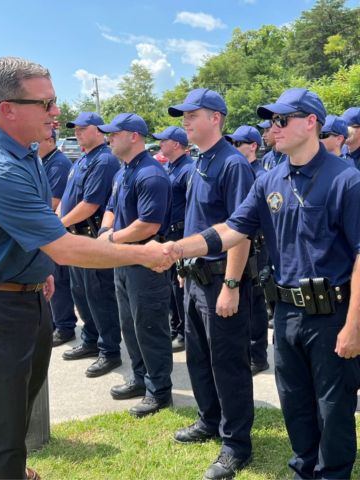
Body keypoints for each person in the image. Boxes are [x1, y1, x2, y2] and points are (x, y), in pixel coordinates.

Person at [0, 57, 176, 480]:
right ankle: (5, 467)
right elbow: (66, 247)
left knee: (16, 406)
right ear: (8, 109)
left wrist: (41, 266)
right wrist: (144, 253)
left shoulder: (25, 151)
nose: (57, 113)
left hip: (25, 293)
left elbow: (42, 224)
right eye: (47, 103)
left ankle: (2, 457)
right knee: (6, 418)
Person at [158, 87, 360, 480]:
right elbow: (232, 229)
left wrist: (354, 325)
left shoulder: (346, 180)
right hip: (285, 311)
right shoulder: (270, 179)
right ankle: (304, 467)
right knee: (295, 401)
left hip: (332, 313)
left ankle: (332, 473)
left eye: (282, 120)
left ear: (311, 123)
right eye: (271, 121)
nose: (273, 128)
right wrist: (176, 249)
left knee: (333, 407)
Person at [167, 89, 255, 480]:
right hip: (197, 278)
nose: (185, 120)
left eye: (192, 114)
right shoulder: (202, 159)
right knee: (199, 357)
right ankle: (209, 420)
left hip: (222, 279)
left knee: (228, 364)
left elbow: (242, 230)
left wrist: (232, 284)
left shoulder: (232, 164)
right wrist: (186, 270)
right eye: (183, 115)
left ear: (216, 118)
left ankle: (236, 444)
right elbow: (197, 222)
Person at [97, 113, 174, 417]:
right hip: (124, 258)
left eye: (115, 134)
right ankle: (140, 378)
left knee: (150, 325)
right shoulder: (123, 172)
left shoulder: (151, 174)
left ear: (134, 137)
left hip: (145, 260)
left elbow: (149, 225)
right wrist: (106, 232)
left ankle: (159, 390)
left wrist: (111, 239)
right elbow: (111, 208)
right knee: (129, 323)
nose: (109, 138)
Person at [58, 112, 122, 378]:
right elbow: (67, 196)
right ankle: (90, 340)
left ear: (100, 131)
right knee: (81, 293)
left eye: (83, 129)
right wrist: (58, 218)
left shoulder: (104, 160)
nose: (77, 133)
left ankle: (109, 351)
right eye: (76, 129)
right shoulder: (83, 158)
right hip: (75, 235)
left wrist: (58, 225)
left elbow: (91, 204)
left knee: (99, 296)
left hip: (91, 237)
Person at [225, 125, 270, 375]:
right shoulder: (236, 170)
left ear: (253, 146)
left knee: (255, 300)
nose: (234, 148)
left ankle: (258, 355)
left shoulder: (260, 175)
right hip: (239, 243)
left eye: (239, 143)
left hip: (256, 245)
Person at [151, 126, 193, 352]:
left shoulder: (188, 169)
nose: (160, 144)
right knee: (171, 286)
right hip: (168, 234)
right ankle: (175, 326)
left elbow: (191, 209)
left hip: (181, 234)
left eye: (163, 141)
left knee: (180, 286)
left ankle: (183, 331)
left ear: (176, 144)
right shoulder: (170, 167)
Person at [38, 128, 78, 347]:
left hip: (55, 229)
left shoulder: (58, 164)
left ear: (51, 140)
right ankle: (54, 322)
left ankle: (64, 326)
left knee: (59, 281)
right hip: (45, 228)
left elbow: (53, 201)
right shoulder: (44, 161)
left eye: (39, 140)